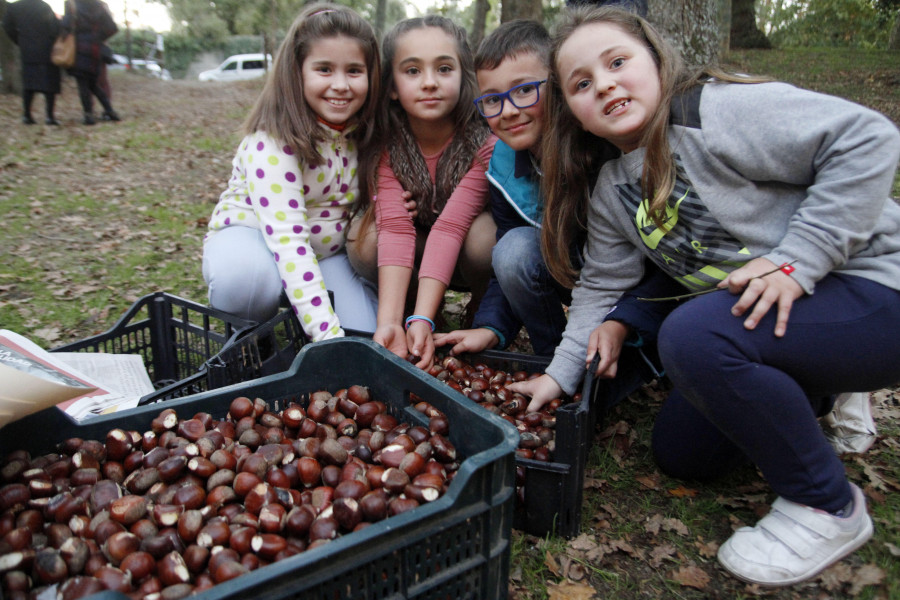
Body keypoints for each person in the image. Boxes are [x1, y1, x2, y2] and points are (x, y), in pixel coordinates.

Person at [510, 5, 900, 587]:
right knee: (684, 453)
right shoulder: (615, 188)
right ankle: (811, 390)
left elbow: (867, 137)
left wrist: (797, 261)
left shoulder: (714, 112)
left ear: (658, 61)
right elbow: (600, 286)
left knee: (691, 335)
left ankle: (827, 505)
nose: (606, 83)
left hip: (875, 287)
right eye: (583, 83)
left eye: (618, 62)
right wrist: (559, 375)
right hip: (784, 319)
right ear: (575, 115)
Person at [202, 3, 380, 341]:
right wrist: (327, 336)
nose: (341, 85)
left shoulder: (365, 133)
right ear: (296, 72)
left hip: (326, 254)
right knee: (248, 282)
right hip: (256, 243)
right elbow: (289, 242)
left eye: (354, 70)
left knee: (363, 334)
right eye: (324, 69)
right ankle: (249, 333)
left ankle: (302, 311)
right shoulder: (272, 143)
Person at [347, 15, 497, 369]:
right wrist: (388, 322)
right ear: (393, 86)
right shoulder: (385, 145)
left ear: (463, 77)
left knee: (485, 237)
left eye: (444, 69)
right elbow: (396, 228)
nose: (429, 82)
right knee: (365, 237)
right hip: (412, 249)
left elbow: (451, 226)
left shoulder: (484, 141)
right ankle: (411, 310)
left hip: (463, 252)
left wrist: (423, 320)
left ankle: (480, 303)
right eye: (412, 71)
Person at [433, 20, 583, 358]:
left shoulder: (591, 143)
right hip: (562, 270)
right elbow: (509, 260)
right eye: (492, 99)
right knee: (513, 250)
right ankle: (551, 356)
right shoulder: (502, 164)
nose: (509, 111)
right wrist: (490, 327)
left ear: (557, 84)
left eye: (525, 89)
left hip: (616, 281)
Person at [3, 0, 61, 125]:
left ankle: (27, 115)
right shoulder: (44, 6)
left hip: (27, 48)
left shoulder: (14, 7)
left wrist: (20, 40)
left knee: (28, 84)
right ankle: (50, 116)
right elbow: (54, 28)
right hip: (46, 48)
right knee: (49, 84)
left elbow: (7, 26)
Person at [62, 0, 119, 125]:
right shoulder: (98, 5)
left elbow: (65, 25)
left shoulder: (71, 4)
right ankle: (110, 110)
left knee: (83, 83)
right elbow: (112, 28)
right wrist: (98, 37)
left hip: (78, 48)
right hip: (95, 49)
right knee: (93, 83)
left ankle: (88, 114)